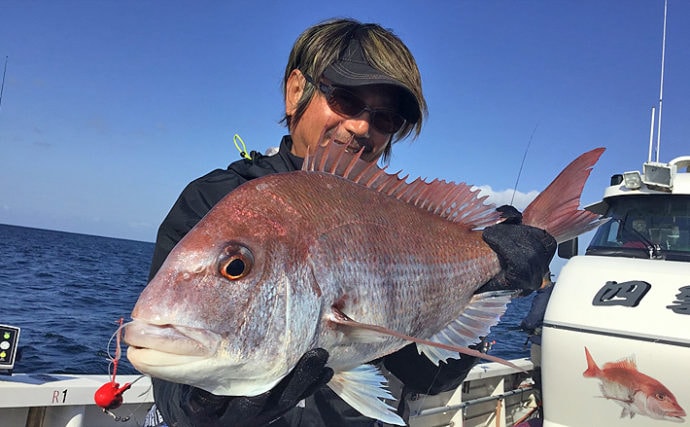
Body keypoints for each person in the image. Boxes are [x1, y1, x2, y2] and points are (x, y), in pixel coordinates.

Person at [145, 18, 556, 427]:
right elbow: (167, 378)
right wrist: (202, 408)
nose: (361, 127)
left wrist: (491, 283)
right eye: (344, 99)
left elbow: (433, 376)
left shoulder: (397, 222)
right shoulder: (214, 201)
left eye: (384, 119)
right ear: (294, 92)